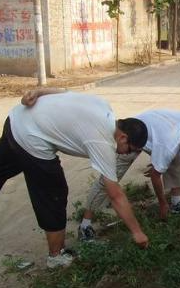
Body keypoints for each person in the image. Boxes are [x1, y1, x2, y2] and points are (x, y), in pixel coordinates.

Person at [0, 89, 149, 268]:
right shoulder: (103, 142)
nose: (129, 154)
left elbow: (64, 93)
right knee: (54, 192)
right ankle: (56, 256)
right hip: (31, 139)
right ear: (123, 137)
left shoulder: (103, 107)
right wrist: (137, 232)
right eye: (131, 149)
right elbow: (115, 195)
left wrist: (37, 92)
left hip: (16, 120)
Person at [78, 110, 180, 241]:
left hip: (154, 129)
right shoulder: (169, 145)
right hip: (133, 136)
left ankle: (176, 203)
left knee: (177, 159)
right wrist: (162, 204)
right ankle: (85, 225)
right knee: (108, 179)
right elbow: (155, 176)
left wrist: (159, 161)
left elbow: (171, 148)